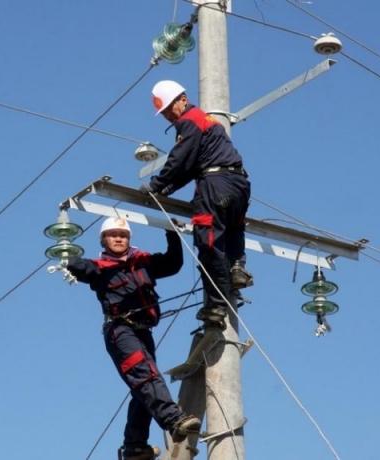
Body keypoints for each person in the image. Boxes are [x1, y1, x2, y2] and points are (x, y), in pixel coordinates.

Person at [66, 216, 201, 460]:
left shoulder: (143, 262)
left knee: (143, 388)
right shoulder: (99, 267)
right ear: (103, 240)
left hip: (143, 332)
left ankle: (135, 447)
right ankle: (173, 419)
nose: (119, 238)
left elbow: (173, 263)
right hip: (120, 331)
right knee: (145, 375)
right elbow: (78, 267)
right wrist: (66, 248)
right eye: (113, 235)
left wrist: (171, 233)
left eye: (123, 235)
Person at [141, 80, 252, 327]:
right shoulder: (206, 122)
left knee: (208, 243)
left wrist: (156, 185)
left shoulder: (189, 121)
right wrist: (167, 189)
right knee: (232, 228)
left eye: (169, 108)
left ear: (183, 99)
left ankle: (216, 305)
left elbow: (180, 160)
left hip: (215, 185)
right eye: (164, 113)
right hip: (239, 184)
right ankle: (237, 268)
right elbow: (192, 165)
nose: (169, 116)